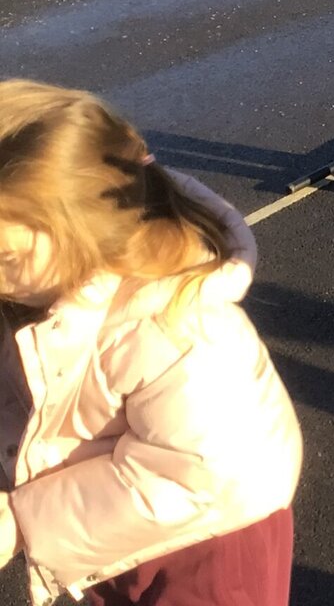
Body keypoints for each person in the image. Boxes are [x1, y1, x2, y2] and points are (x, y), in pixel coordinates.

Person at [0, 79, 303, 606]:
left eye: (6, 259)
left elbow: (194, 473)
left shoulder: (174, 327)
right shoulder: (39, 286)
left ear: (85, 235)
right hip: (111, 520)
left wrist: (23, 521)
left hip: (207, 544)